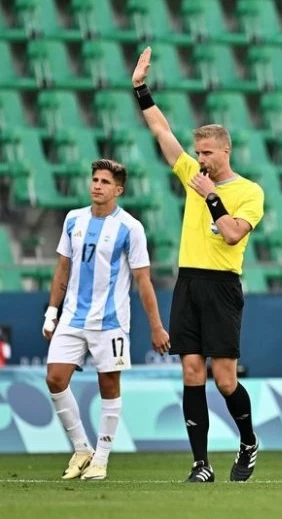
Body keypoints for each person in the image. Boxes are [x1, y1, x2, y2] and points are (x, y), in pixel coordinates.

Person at [131, 48, 265, 483]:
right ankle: (200, 464)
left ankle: (247, 442)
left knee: (224, 379)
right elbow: (161, 131)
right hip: (188, 281)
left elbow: (231, 233)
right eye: (198, 152)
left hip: (222, 285)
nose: (200, 159)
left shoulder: (249, 192)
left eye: (208, 152)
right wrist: (140, 89)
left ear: (226, 150)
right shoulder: (191, 172)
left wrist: (209, 195)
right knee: (191, 371)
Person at [43, 160, 170, 481]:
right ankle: (81, 448)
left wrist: (156, 325)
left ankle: (100, 459)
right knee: (55, 379)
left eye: (104, 182)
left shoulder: (130, 228)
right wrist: (51, 311)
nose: (97, 185)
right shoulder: (74, 219)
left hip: (110, 320)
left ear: (118, 189)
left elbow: (143, 280)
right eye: (95, 179)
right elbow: (62, 269)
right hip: (72, 316)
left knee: (109, 385)